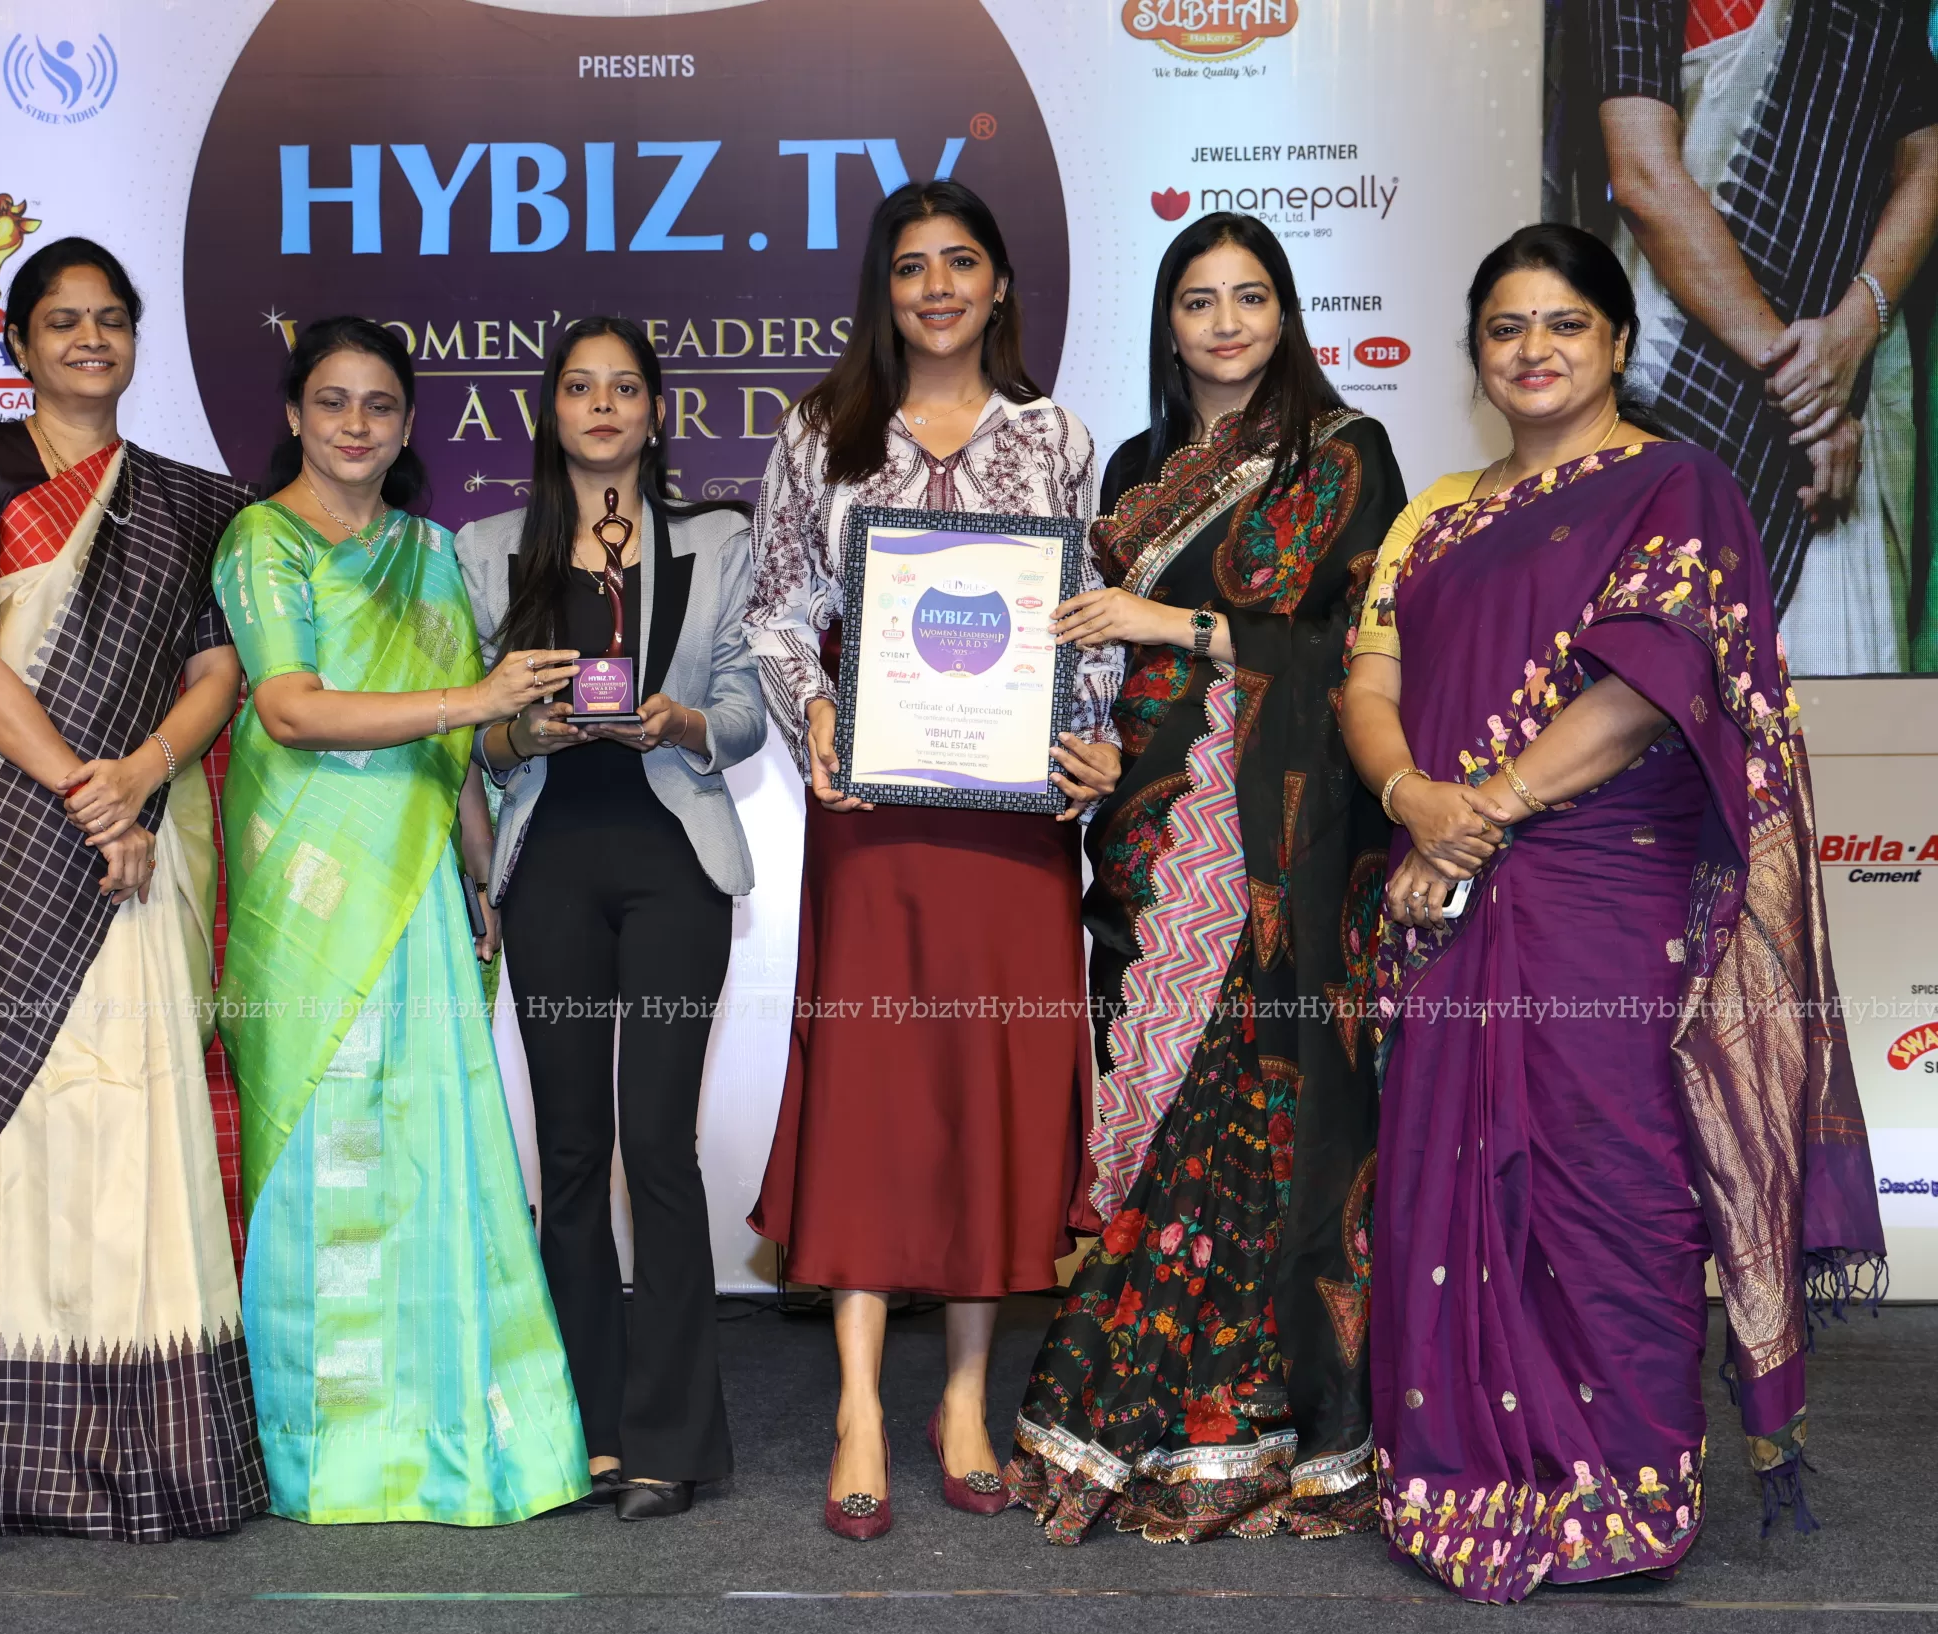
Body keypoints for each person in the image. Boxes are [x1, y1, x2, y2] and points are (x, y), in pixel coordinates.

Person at [1343, 224, 1882, 1603]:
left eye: (1565, 323)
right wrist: (1411, 795)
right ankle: (1455, 1470)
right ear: (1475, 354)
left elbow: (1649, 682)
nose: (1534, 349)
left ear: (1620, 342)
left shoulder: (1673, 484)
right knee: (1446, 1174)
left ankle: (1624, 1479)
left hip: (1602, 888)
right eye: (1506, 327)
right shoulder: (1437, 516)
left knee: (1614, 1176)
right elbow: (1371, 681)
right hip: (1451, 888)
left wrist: (1482, 805)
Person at [1001, 213, 1404, 1545]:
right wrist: (1086, 745)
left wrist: (1163, 618)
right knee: (1151, 1109)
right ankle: (1157, 1409)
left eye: (1249, 297)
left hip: (1270, 839)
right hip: (1143, 825)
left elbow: (1352, 646)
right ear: (1167, 324)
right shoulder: (1138, 467)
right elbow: (1099, 656)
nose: (1225, 323)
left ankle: (1255, 1424)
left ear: (1285, 312)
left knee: (1250, 1118)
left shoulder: (1344, 455)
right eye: (1197, 300)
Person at [743, 180, 1125, 1541]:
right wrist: (818, 711)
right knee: (872, 1091)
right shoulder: (820, 432)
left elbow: (1086, 618)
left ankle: (963, 1397)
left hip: (1012, 821)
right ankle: (858, 1402)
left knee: (988, 1087)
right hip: (877, 812)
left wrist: (1090, 738)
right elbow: (775, 612)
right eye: (912, 267)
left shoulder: (1058, 436)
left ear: (1001, 282)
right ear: (884, 290)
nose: (939, 287)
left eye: (962, 261)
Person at [216, 315, 590, 1526]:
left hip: (420, 881)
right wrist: (476, 697)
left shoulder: (428, 551)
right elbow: (290, 709)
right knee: (320, 1150)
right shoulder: (262, 540)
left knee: (433, 1149)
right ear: (293, 413)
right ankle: (324, 1453)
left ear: (407, 421)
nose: (355, 425)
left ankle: (451, 1441)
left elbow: (454, 748)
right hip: (307, 889)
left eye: (379, 404)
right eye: (332, 401)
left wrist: (482, 866)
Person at [0, 237, 264, 1542]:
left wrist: (141, 776)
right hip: (2, 842)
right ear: (19, 343)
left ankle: (166, 1453)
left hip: (139, 843)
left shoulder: (186, 504)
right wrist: (84, 788)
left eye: (111, 319)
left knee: (138, 1123)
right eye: (63, 320)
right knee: (25, 1137)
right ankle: (24, 1459)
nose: (90, 339)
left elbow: (217, 671)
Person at [457, 317, 766, 1522]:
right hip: (550, 865)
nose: (601, 406)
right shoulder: (488, 550)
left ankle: (671, 1440)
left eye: (623, 387)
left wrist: (679, 723)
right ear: (552, 410)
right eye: (579, 387)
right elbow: (472, 741)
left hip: (673, 860)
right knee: (573, 1151)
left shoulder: (716, 539)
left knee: (659, 1148)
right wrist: (520, 731)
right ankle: (579, 1429)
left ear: (654, 411)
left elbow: (742, 709)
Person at [1590, 0, 1938, 673]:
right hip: (1689, 361)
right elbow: (1641, 176)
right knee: (1669, 678)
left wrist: (1853, 330)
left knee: (1845, 686)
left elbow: (1926, 157)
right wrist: (1805, 386)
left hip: (1852, 374)